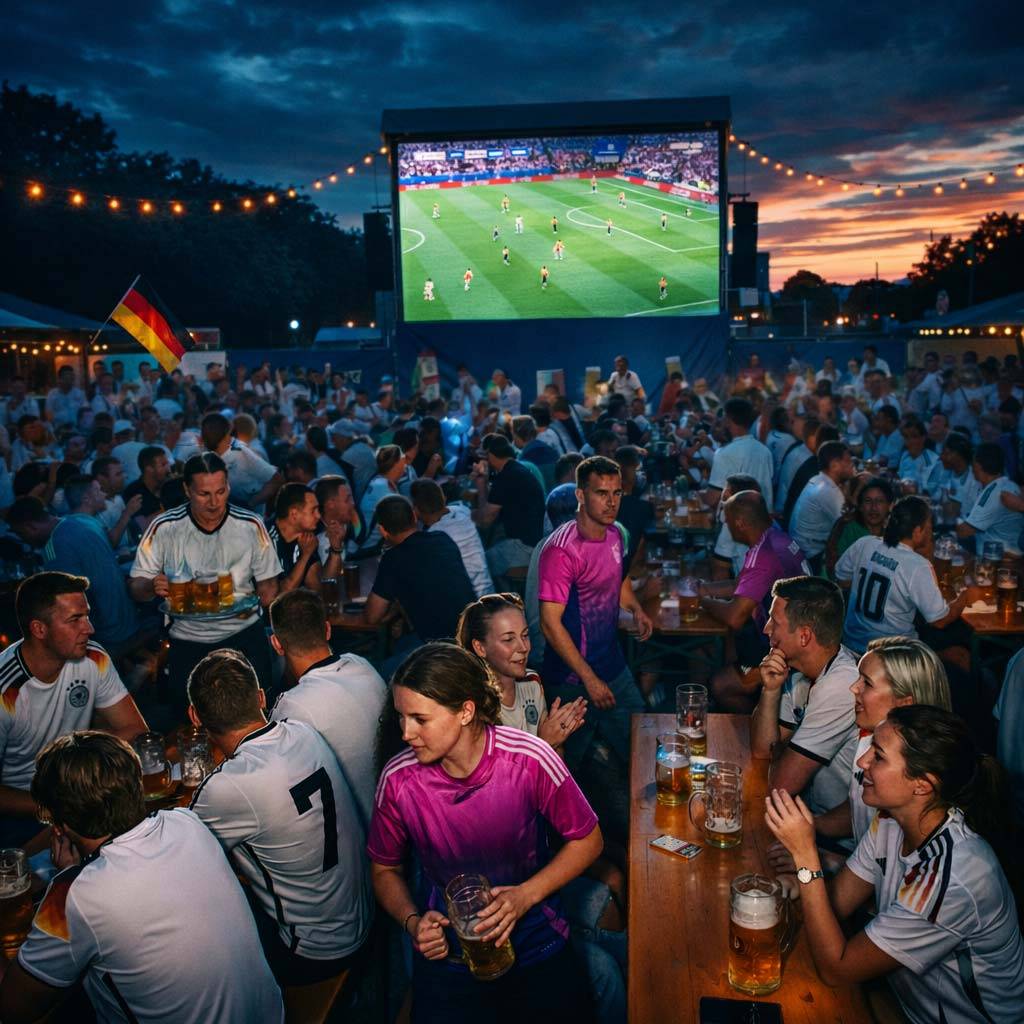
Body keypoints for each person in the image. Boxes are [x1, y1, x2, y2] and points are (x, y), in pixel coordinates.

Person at [369, 643, 602, 1024]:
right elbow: (383, 870)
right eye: (401, 717)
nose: (406, 732)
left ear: (465, 711)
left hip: (536, 943)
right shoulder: (398, 780)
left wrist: (524, 896)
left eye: (419, 719)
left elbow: (589, 839)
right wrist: (413, 921)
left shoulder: (529, 759)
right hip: (450, 957)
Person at [765, 705, 1024, 1023]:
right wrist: (803, 880)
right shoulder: (889, 820)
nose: (862, 762)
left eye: (878, 755)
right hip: (906, 1004)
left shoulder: (956, 876)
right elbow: (835, 905)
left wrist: (806, 859)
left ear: (922, 785)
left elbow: (837, 968)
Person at [3, 731, 283, 1024]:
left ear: (60, 826)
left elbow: (12, 1008)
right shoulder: (185, 823)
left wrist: (67, 879)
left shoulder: (74, 897)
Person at [187, 650, 371, 992]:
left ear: (194, 716)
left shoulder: (228, 788)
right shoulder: (304, 732)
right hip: (362, 916)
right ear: (260, 698)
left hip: (314, 951)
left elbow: (181, 850)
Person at [768, 637, 952, 888]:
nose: (853, 689)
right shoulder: (870, 742)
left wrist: (817, 861)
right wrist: (811, 828)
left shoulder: (913, 785)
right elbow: (857, 809)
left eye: (866, 683)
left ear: (904, 704)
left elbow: (891, 884)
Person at [129, 452, 282, 715]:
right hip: (188, 643)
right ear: (187, 490)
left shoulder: (250, 525)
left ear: (229, 487)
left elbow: (269, 589)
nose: (214, 502)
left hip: (244, 638)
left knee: (255, 715)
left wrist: (262, 596)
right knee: (190, 721)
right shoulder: (164, 528)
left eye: (221, 492)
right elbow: (135, 588)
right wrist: (151, 586)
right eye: (204, 494)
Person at [0, 573, 146, 845]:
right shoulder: (5, 691)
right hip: (27, 807)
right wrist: (56, 808)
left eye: (87, 616)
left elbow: (136, 730)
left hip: (84, 788)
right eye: (75, 620)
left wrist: (83, 774)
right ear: (39, 629)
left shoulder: (94, 657)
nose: (89, 628)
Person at [539, 456, 651, 770]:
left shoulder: (616, 533)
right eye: (601, 493)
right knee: (565, 768)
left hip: (613, 665)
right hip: (572, 678)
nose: (611, 502)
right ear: (580, 495)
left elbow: (619, 578)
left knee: (641, 746)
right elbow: (550, 624)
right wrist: (590, 679)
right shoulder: (561, 550)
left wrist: (635, 608)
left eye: (616, 493)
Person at [269, 589, 386, 829]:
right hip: (392, 813)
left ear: (277, 644)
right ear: (328, 629)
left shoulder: (293, 706)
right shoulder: (361, 664)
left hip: (354, 832)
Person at [751, 576, 860, 817]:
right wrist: (770, 690)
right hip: (807, 816)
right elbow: (762, 751)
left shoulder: (842, 686)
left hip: (837, 838)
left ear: (804, 636)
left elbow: (781, 786)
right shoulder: (798, 673)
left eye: (774, 621)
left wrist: (782, 752)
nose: (766, 628)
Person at [703, 492, 810, 712]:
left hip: (792, 648)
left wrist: (701, 602)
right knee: (734, 647)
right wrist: (703, 588)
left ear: (740, 523)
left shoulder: (763, 555)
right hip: (803, 633)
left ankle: (761, 729)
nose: (726, 525)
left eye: (728, 520)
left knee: (721, 685)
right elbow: (744, 584)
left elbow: (735, 617)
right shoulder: (776, 537)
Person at [8, 490, 143, 658]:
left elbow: (71, 605)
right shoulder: (84, 520)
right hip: (130, 620)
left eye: (22, 534)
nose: (24, 539)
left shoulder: (54, 547)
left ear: (30, 526)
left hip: (108, 635)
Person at [456, 592, 586, 754]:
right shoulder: (472, 705)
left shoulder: (531, 681)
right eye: (509, 639)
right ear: (480, 647)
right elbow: (498, 776)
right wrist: (545, 744)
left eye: (525, 635)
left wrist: (557, 737)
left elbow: (556, 761)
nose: (524, 647)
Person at [836, 496, 967, 655]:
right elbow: (939, 621)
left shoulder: (865, 543)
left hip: (852, 644)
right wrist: (965, 597)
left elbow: (842, 579)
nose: (931, 531)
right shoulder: (917, 565)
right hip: (893, 653)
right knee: (961, 652)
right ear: (917, 531)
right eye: (929, 525)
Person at [366, 494, 476, 647]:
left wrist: (394, 611)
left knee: (384, 668)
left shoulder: (393, 559)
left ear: (383, 530)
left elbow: (372, 616)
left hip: (441, 649)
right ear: (414, 516)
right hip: (474, 634)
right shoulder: (442, 539)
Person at [473, 432, 545, 583]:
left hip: (524, 547)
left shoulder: (506, 477)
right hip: (535, 542)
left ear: (491, 455)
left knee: (480, 565)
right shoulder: (516, 470)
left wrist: (480, 485)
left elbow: (485, 521)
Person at [411, 478, 494, 598]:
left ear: (416, 510)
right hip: (489, 592)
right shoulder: (463, 511)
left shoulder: (432, 538)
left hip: (470, 605)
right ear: (443, 498)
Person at [790, 441, 856, 573]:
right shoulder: (828, 490)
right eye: (848, 461)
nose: (852, 465)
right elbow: (849, 526)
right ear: (834, 465)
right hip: (812, 556)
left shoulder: (818, 479)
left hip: (800, 549)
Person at [706, 398, 774, 512]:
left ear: (728, 419)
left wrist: (695, 496)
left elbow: (712, 500)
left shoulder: (724, 453)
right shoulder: (765, 451)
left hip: (735, 526)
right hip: (762, 524)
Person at [957, 441, 1024, 555]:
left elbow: (965, 531)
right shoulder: (1003, 484)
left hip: (1000, 559)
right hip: (989, 548)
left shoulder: (996, 492)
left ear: (977, 465)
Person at [823, 476, 895, 578]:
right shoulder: (848, 527)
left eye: (879, 501)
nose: (873, 508)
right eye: (868, 501)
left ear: (890, 506)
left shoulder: (894, 532)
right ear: (860, 506)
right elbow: (833, 568)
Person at [267, 482, 322, 593]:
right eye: (313, 510)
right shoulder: (265, 539)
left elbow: (315, 587)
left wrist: (335, 550)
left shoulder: (306, 539)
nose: (319, 515)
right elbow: (281, 593)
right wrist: (305, 555)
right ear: (294, 514)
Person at [359, 444, 406, 550]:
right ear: (397, 463)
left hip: (371, 545)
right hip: (368, 549)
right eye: (403, 461)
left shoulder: (379, 480)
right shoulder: (383, 488)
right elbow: (400, 526)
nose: (405, 466)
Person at [897, 418, 943, 499]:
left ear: (923, 438)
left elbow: (930, 493)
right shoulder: (905, 456)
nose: (909, 441)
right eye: (906, 437)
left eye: (914, 436)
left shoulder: (935, 461)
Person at [938, 432, 979, 517]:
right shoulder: (945, 473)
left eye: (946, 454)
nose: (941, 457)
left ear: (958, 455)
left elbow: (952, 512)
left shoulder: (975, 478)